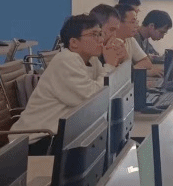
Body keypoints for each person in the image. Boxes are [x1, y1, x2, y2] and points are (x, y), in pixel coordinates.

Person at [13, 14, 124, 155]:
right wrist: (110, 65)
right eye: (94, 35)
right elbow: (92, 99)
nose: (101, 39)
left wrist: (118, 61)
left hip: (61, 134)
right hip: (37, 140)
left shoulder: (92, 60)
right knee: (102, 143)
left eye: (101, 34)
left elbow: (107, 91)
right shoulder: (66, 60)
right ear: (74, 42)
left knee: (107, 139)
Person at [115, 3, 162, 77]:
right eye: (132, 22)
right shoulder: (111, 44)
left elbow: (147, 62)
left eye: (136, 22)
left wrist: (132, 71)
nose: (136, 25)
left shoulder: (130, 39)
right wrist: (140, 72)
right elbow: (118, 76)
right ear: (118, 23)